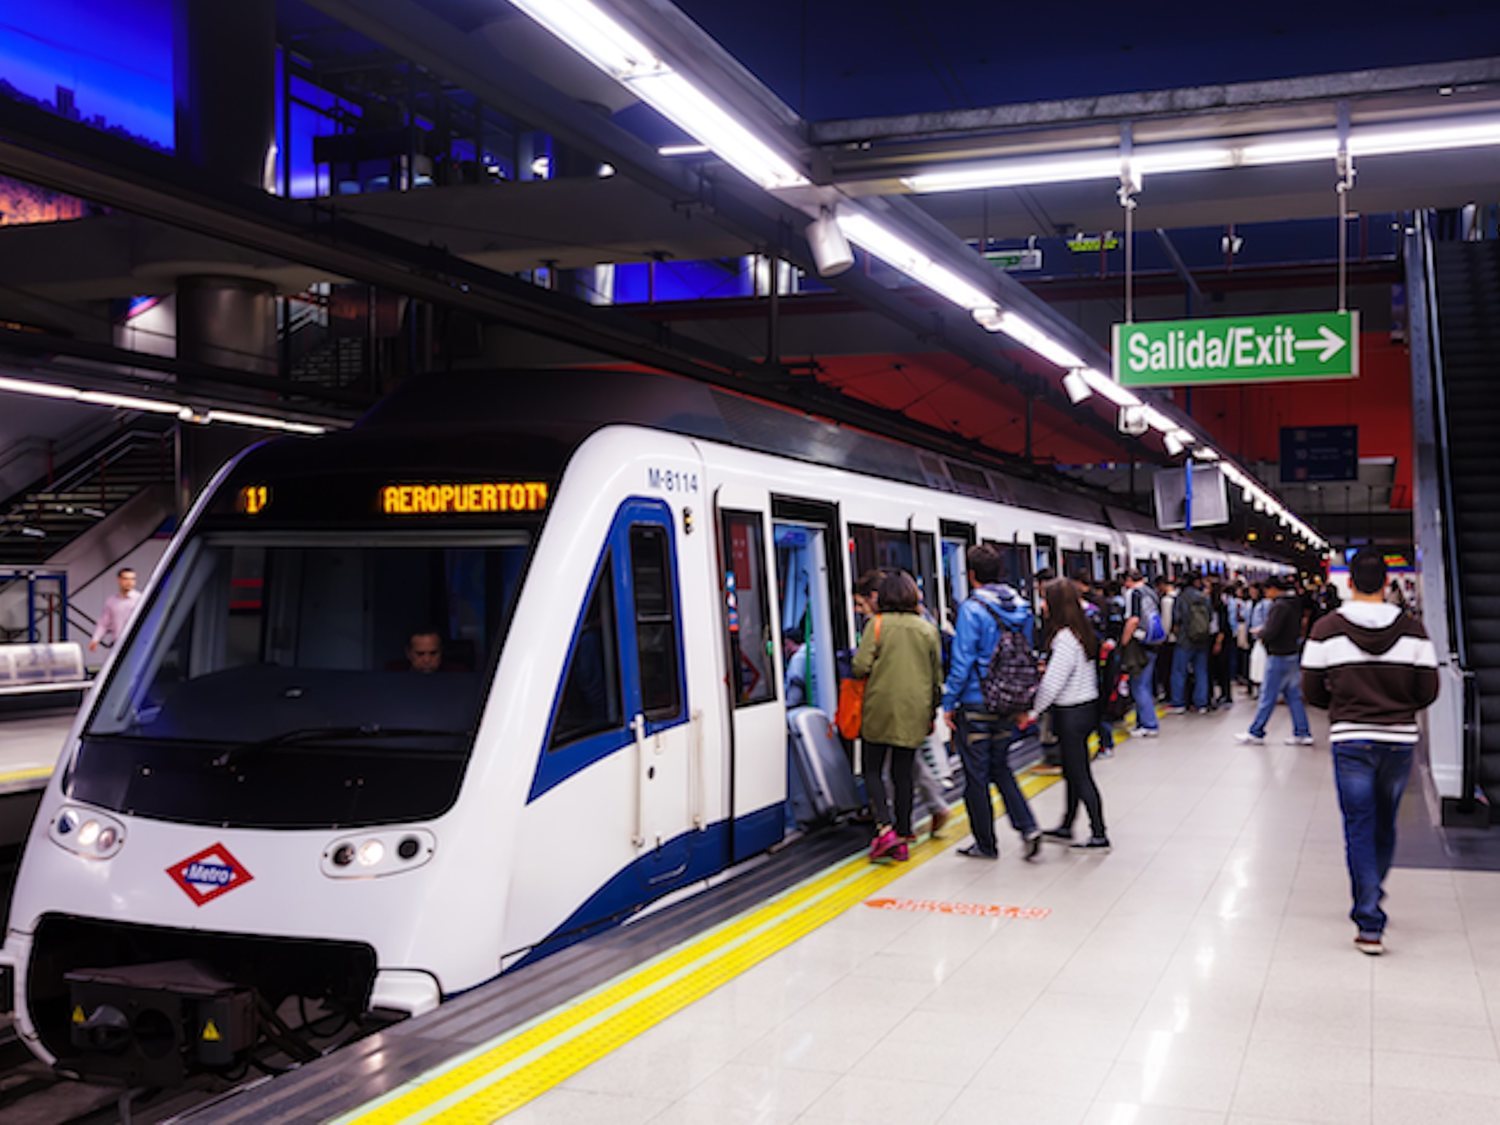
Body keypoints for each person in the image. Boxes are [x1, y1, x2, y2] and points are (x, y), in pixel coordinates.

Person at [1302, 548, 1440, 955]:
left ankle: (1369, 920)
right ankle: (1371, 894)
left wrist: (1344, 711)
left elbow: (1311, 689)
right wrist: (1397, 709)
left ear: (1349, 583)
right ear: (1385, 582)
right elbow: (1428, 690)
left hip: (1351, 740)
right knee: (1385, 823)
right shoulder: (1414, 630)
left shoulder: (1326, 628)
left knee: (1358, 825)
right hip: (1398, 740)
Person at [941, 544, 1042, 862]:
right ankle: (1027, 825)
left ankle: (985, 843)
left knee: (976, 774)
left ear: (971, 575)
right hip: (1010, 699)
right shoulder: (1022, 607)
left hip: (977, 700)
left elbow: (962, 661)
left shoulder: (972, 609)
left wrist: (948, 702)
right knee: (1001, 766)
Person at [853, 571, 943, 863]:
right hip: (915, 709)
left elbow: (860, 666)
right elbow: (935, 676)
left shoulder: (876, 625)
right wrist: (931, 712)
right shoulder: (927, 629)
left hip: (879, 707)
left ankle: (885, 827)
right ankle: (905, 832)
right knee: (903, 773)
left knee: (872, 769)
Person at [1031, 578, 1109, 850]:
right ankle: (1067, 823)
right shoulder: (1080, 631)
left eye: (1044, 599)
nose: (1041, 604)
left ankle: (1099, 832)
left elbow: (1054, 683)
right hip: (1086, 706)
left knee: (1080, 773)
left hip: (1071, 712)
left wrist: (1034, 710)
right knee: (1073, 771)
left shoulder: (1064, 638)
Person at [1234, 576, 1313, 745]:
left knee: (1267, 696)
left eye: (1267, 590)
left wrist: (1260, 633)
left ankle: (1256, 731)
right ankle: (1303, 732)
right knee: (1293, 697)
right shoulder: (1294, 603)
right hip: (1292, 654)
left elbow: (1272, 632)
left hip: (1278, 656)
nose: (1266, 593)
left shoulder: (1279, 606)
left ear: (1274, 589)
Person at [1120, 570, 1162, 737]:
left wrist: (1124, 641)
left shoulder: (1133, 593)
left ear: (1129, 580)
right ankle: (1141, 722)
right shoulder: (1151, 592)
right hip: (1153, 642)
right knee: (1145, 683)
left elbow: (1133, 619)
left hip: (1139, 643)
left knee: (1139, 685)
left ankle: (1149, 724)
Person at [1167, 573, 1211, 714]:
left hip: (1185, 640)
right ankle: (1201, 703)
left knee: (1179, 671)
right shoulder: (1204, 597)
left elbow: (1177, 618)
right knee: (1201, 671)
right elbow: (1210, 616)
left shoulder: (1181, 597)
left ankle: (1178, 703)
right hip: (1202, 639)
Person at [89, 567, 141, 652]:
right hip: (118, 644)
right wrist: (95, 639)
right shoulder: (111, 601)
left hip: (137, 643)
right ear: (119, 580)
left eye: (132, 579)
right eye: (126, 579)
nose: (129, 582)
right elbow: (103, 623)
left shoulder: (140, 599)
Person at [782, 627, 808, 708]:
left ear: (789, 643)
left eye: (784, 645)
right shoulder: (810, 652)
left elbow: (794, 698)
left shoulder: (797, 660)